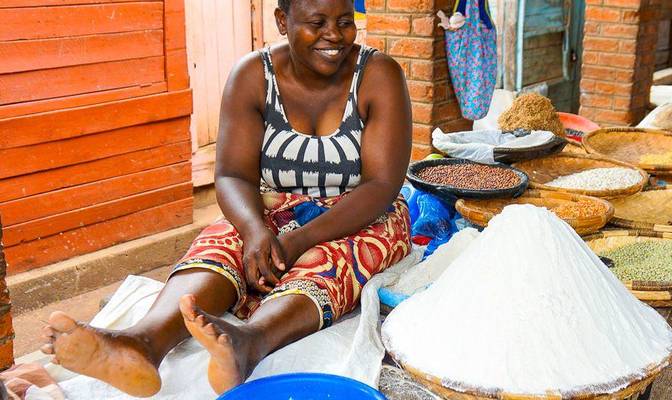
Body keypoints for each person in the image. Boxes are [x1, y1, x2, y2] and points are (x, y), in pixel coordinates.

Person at [40, 0, 412, 396]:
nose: (334, 35)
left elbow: (380, 185)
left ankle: (249, 342)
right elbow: (233, 174)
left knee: (329, 260)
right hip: (274, 208)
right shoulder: (254, 75)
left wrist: (300, 239)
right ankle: (141, 344)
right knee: (221, 245)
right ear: (282, 21)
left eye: (344, 22)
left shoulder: (377, 75)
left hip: (358, 214)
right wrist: (253, 230)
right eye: (317, 22)